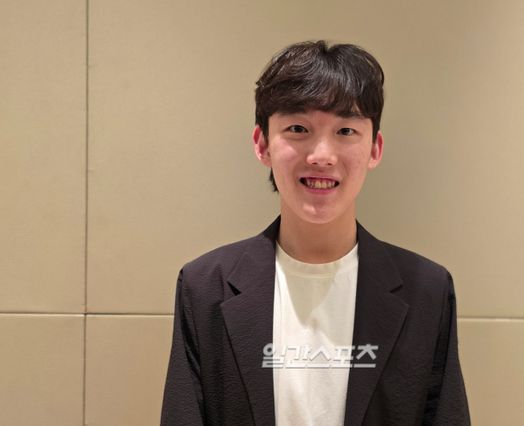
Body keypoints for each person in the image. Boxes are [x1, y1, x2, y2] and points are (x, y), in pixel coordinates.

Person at [161, 40, 470, 426]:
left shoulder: (427, 291)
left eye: (345, 130)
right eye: (298, 128)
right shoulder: (206, 287)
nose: (322, 155)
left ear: (375, 148)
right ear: (262, 144)